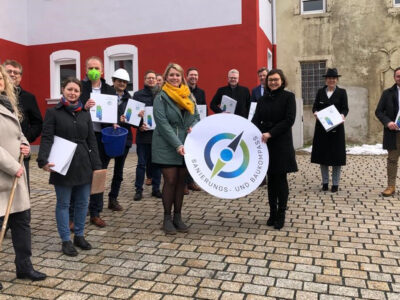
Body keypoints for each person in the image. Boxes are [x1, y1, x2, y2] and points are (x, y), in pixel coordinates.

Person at [37, 77, 101, 256]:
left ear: (80, 93)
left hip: (83, 163)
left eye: (76, 90)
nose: (72, 93)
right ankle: (66, 240)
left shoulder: (85, 113)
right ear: (63, 90)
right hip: (62, 162)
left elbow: (91, 140)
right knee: (63, 204)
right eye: (69, 89)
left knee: (82, 203)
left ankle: (79, 236)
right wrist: (42, 160)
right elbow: (47, 137)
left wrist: (97, 165)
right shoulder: (53, 113)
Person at [0, 65, 46, 288]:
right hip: (5, 175)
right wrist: (12, 166)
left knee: (22, 223)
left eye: (1, 78)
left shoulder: (8, 102)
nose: (0, 81)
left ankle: (24, 267)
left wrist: (26, 146)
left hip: (17, 176)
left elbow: (20, 133)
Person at [152, 63, 199, 234]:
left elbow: (196, 116)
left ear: (182, 77)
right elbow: (162, 124)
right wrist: (177, 144)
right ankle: (167, 218)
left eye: (177, 75)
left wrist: (193, 126)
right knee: (170, 180)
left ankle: (178, 217)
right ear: (166, 77)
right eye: (171, 75)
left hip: (186, 144)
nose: (174, 78)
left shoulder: (189, 96)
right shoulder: (161, 97)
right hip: (166, 144)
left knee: (181, 182)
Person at [252, 69, 298, 230]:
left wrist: (271, 132)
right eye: (270, 80)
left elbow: (289, 120)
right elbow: (256, 119)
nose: (273, 82)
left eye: (276, 79)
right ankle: (272, 212)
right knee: (271, 180)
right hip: (266, 144)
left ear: (282, 81)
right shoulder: (263, 99)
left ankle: (281, 213)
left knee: (281, 180)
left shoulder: (288, 97)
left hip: (281, 143)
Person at [79, 56, 115, 228]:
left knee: (99, 173)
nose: (93, 70)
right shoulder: (79, 87)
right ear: (86, 70)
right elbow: (72, 107)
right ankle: (77, 211)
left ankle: (96, 212)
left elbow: (115, 110)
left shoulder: (109, 89)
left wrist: (115, 120)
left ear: (102, 71)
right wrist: (83, 107)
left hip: (102, 137)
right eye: (90, 67)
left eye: (96, 68)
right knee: (82, 173)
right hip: (84, 136)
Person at [3, 60, 43, 189]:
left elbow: (37, 123)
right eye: (9, 71)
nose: (13, 74)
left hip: (21, 153)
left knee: (22, 190)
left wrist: (25, 140)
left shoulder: (28, 97)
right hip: (2, 152)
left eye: (16, 73)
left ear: (21, 77)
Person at [98, 68, 133, 211]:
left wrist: (138, 117)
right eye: (119, 81)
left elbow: (134, 121)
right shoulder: (105, 95)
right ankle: (95, 203)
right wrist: (116, 119)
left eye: (124, 82)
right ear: (113, 81)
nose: (122, 84)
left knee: (119, 172)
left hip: (123, 139)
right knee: (100, 171)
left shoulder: (130, 100)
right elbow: (100, 116)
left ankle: (113, 199)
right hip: (106, 137)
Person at [311, 68, 348, 193]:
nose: (331, 80)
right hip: (322, 129)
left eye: (333, 78)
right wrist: (315, 112)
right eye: (329, 78)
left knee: (336, 156)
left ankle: (335, 184)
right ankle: (325, 182)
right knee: (323, 155)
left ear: (336, 80)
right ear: (326, 80)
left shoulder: (342, 92)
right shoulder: (320, 91)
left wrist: (343, 115)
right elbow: (315, 106)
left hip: (337, 129)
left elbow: (345, 108)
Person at [130, 70, 162, 201]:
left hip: (158, 135)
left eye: (153, 78)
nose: (151, 80)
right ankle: (138, 190)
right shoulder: (137, 95)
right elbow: (131, 116)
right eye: (148, 78)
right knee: (141, 164)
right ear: (144, 80)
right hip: (143, 135)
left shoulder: (161, 94)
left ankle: (156, 189)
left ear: (156, 80)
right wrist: (139, 124)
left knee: (157, 164)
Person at [376, 67, 400, 196]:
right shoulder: (387, 93)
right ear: (394, 78)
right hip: (393, 133)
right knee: (392, 160)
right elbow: (378, 111)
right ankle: (391, 186)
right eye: (398, 76)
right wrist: (388, 122)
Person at [184, 67, 205, 193]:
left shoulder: (201, 92)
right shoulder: (183, 90)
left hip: (196, 128)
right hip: (185, 128)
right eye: (191, 75)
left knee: (193, 155)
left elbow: (202, 109)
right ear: (187, 76)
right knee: (184, 157)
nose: (194, 77)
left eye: (196, 75)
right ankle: (183, 184)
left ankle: (191, 181)